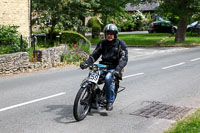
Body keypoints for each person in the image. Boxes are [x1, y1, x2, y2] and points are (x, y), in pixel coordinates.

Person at [80, 24, 128, 111]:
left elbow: (124, 58)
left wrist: (118, 69)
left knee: (108, 78)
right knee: (91, 74)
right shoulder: (102, 43)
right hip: (102, 66)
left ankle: (109, 101)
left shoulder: (120, 44)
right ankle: (90, 96)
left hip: (115, 68)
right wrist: (86, 63)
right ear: (105, 34)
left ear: (115, 34)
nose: (109, 35)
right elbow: (94, 56)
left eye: (112, 33)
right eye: (108, 33)